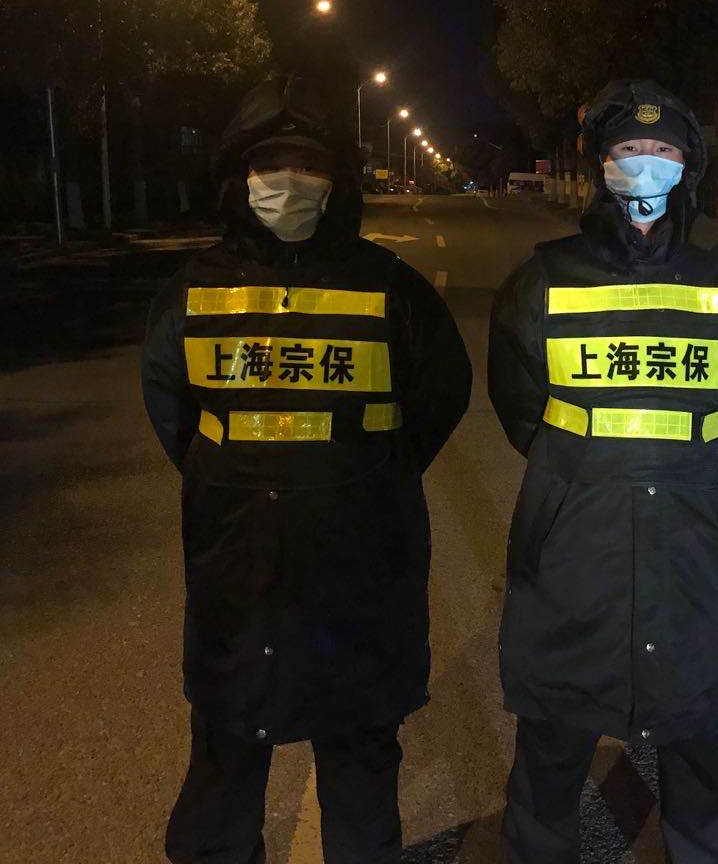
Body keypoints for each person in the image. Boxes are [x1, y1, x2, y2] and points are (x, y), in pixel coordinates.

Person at [141, 74, 471, 863]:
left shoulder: (391, 288)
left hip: (360, 565)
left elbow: (441, 395)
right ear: (240, 176)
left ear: (337, 182)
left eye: (308, 165)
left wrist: (363, 477)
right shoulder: (195, 289)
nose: (287, 181)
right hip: (239, 564)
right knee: (225, 757)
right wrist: (236, 478)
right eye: (271, 164)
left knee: (358, 764)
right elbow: (172, 410)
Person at [488, 79, 718, 862]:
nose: (644, 163)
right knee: (555, 733)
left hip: (695, 530)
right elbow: (519, 405)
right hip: (574, 533)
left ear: (688, 167)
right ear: (599, 163)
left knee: (694, 736)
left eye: (662, 150)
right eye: (627, 149)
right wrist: (581, 471)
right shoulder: (545, 278)